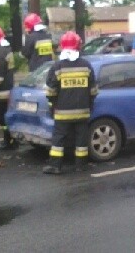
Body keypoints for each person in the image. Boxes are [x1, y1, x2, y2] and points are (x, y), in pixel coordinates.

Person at [43, 31, 98, 175]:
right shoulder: (86, 65)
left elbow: (50, 91)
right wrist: (90, 104)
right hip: (83, 111)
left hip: (62, 112)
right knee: (81, 139)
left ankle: (55, 166)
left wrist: (52, 105)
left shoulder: (57, 67)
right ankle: (81, 165)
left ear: (62, 46)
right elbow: (93, 90)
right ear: (78, 46)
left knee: (59, 139)